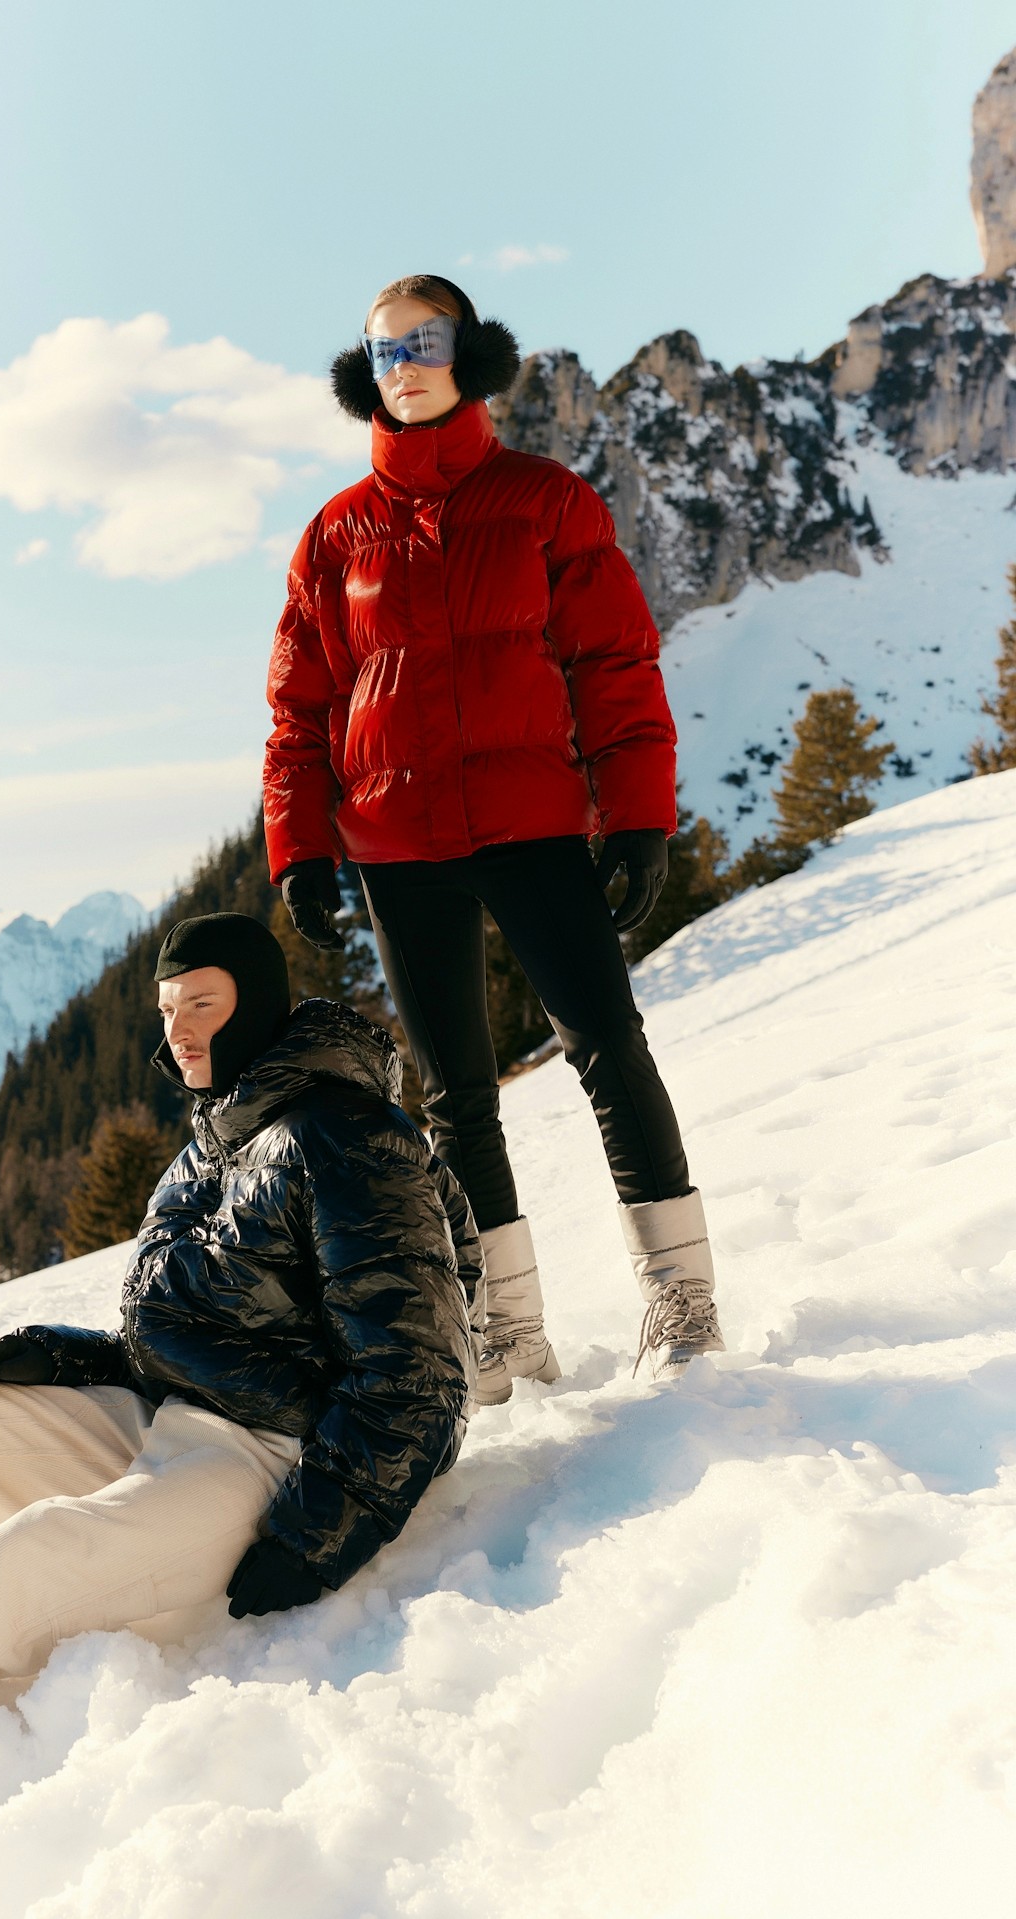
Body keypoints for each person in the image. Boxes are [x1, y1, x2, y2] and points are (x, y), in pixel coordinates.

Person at [0, 913, 478, 1824]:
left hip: (285, 1459)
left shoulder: (349, 1135)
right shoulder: (210, 1141)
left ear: (261, 1005)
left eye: (202, 1001)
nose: (179, 1027)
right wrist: (66, 1354)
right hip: (179, 1419)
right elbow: (201, 1329)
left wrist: (321, 1527)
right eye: (168, 1007)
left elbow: (420, 1371)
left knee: (29, 1555)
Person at [264, 272, 724, 1403]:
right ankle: (508, 1328)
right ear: (360, 374)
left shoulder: (544, 500)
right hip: (395, 840)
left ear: (469, 354)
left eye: (425, 342)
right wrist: (301, 845)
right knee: (452, 1091)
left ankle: (681, 1297)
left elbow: (613, 665)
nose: (404, 363)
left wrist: (638, 814)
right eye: (382, 350)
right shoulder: (334, 534)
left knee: (606, 1044)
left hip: (529, 824)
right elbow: (301, 707)